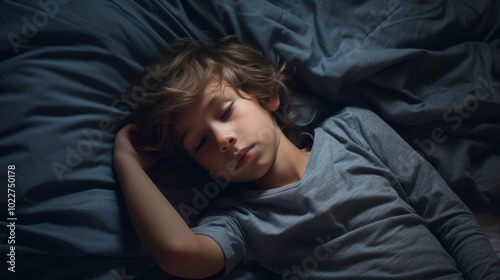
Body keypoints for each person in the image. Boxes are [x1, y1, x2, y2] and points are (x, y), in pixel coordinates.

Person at [113, 37, 500, 279]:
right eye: (200, 144)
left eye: (226, 111)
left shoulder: (355, 129)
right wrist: (127, 162)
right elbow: (180, 254)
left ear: (267, 97)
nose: (223, 138)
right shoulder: (240, 220)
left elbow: (448, 218)